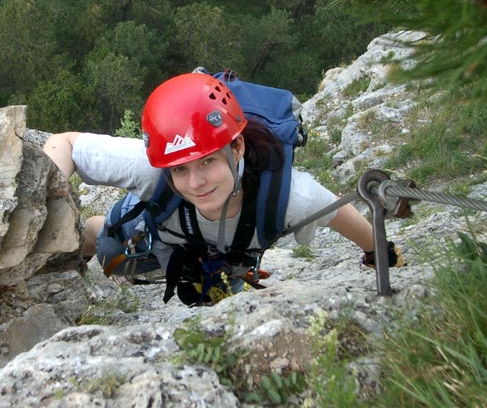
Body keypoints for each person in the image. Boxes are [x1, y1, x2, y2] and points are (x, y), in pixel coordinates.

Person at [43, 72, 403, 306]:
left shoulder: (288, 196)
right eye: (180, 170)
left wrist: (380, 252)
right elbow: (66, 144)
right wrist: (44, 210)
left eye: (208, 162)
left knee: (215, 300)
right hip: (153, 236)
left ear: (237, 148)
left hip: (221, 259)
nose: (196, 183)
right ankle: (90, 231)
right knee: (107, 248)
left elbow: (338, 211)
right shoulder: (150, 164)